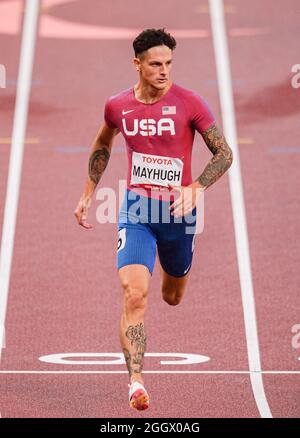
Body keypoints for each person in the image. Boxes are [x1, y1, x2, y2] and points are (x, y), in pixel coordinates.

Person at [74, 28, 233, 411]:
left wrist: (196, 187)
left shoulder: (190, 102)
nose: (164, 71)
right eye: (156, 65)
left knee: (172, 296)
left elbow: (224, 154)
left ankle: (173, 266)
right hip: (137, 211)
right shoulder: (117, 106)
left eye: (169, 64)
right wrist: (87, 194)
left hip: (179, 214)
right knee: (134, 294)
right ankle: (135, 382)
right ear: (138, 65)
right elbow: (102, 142)